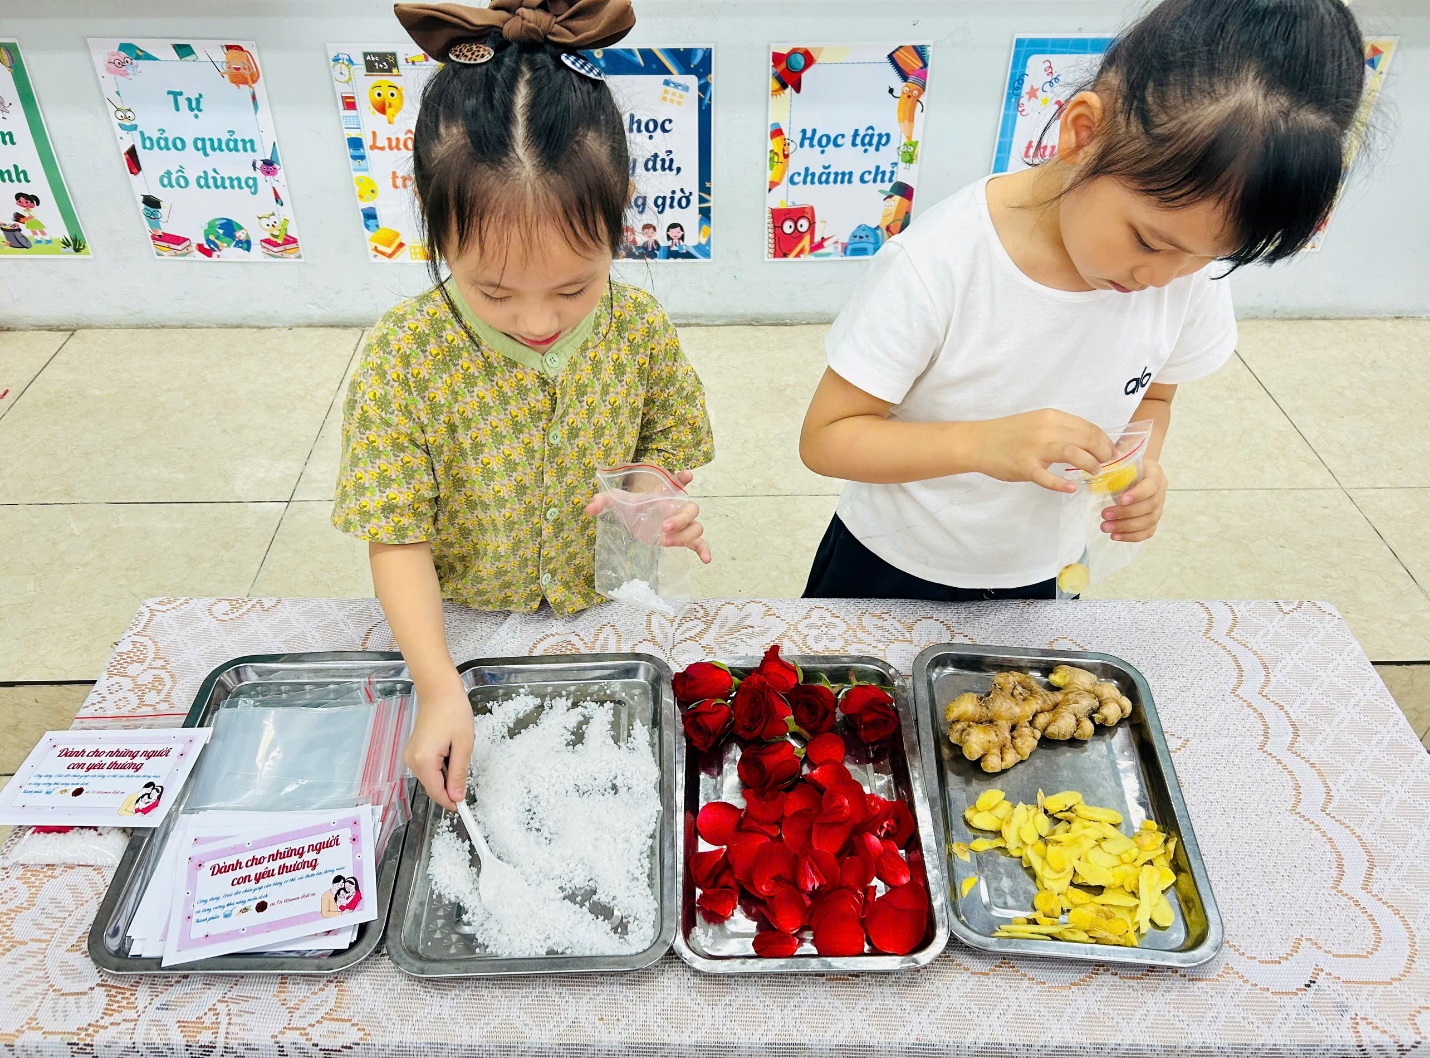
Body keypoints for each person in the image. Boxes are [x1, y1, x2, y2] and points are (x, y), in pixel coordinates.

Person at [799, 0, 1364, 600]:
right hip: (890, 560)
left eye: (1208, 257)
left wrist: (1142, 464)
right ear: (1083, 135)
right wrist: (982, 444)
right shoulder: (939, 264)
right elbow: (828, 437)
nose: (1165, 278)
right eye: (1149, 241)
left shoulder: (1185, 272)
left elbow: (1157, 395)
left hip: (1046, 567)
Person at [334, 0, 714, 811]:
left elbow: (663, 445)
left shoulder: (639, 326)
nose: (539, 322)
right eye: (495, 292)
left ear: (617, 233)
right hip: (463, 622)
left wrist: (653, 502)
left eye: (575, 287)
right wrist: (437, 687)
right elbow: (395, 531)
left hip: (601, 605)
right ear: (439, 239)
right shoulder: (407, 354)